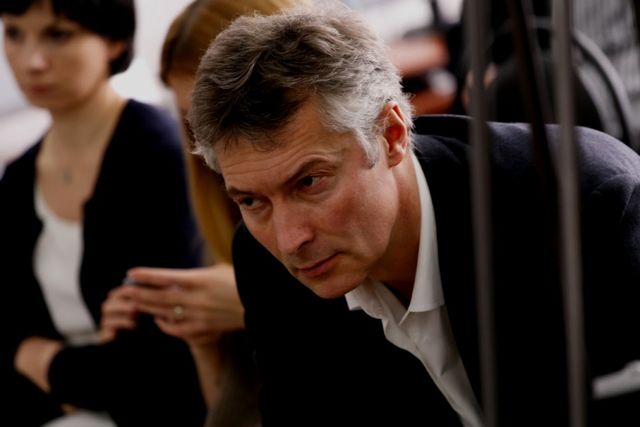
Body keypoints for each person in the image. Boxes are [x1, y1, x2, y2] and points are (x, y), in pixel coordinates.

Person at [187, 2, 640, 426]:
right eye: (252, 201)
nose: (289, 240)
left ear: (391, 134)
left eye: (309, 182)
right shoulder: (263, 262)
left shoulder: (590, 203)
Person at [98, 1, 305, 426]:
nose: (212, 142)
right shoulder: (221, 211)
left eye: (227, 112)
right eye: (194, 121)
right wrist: (201, 337)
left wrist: (259, 302)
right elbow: (232, 414)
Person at [0, 0, 206, 426]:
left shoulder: (159, 156)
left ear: (114, 40)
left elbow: (156, 362)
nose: (31, 61)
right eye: (14, 33)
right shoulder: (18, 179)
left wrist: (45, 363)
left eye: (58, 35)